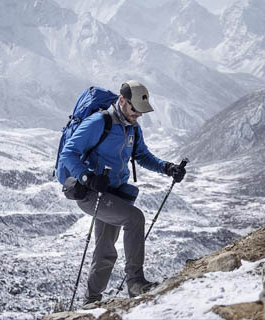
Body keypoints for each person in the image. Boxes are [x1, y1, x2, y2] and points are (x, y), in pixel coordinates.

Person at [59, 80, 186, 305]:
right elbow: (68, 154)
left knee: (105, 248)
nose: (138, 115)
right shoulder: (100, 122)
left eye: (141, 112)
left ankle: (91, 301)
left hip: (114, 194)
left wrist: (167, 167)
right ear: (122, 101)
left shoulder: (132, 128)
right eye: (135, 110)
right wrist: (87, 176)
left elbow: (143, 156)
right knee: (135, 219)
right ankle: (136, 283)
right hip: (92, 193)